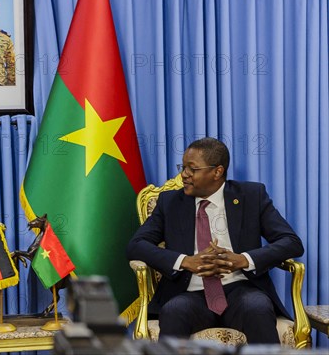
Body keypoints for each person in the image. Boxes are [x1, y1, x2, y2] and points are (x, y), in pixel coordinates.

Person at [126, 137, 304, 344]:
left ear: (217, 172)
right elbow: (136, 246)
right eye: (183, 167)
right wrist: (185, 261)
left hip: (241, 290)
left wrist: (243, 259)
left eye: (192, 169)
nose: (184, 174)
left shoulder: (251, 196)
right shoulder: (170, 202)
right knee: (174, 310)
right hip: (190, 293)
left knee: (257, 306)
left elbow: (291, 242)